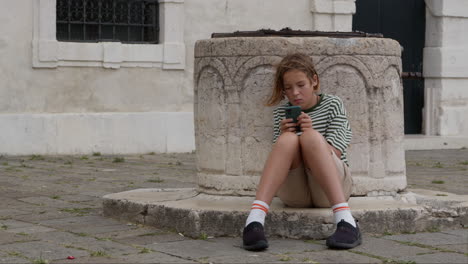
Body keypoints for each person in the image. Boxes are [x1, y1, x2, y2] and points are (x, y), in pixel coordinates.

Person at [242, 53, 361, 251]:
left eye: (301, 85)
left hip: (331, 189)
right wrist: (284, 135)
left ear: (314, 80)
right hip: (295, 194)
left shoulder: (333, 104)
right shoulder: (282, 112)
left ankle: (346, 220)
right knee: (287, 140)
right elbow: (278, 162)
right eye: (288, 88)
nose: (295, 93)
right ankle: (254, 221)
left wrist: (310, 132)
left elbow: (337, 152)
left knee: (310, 138)